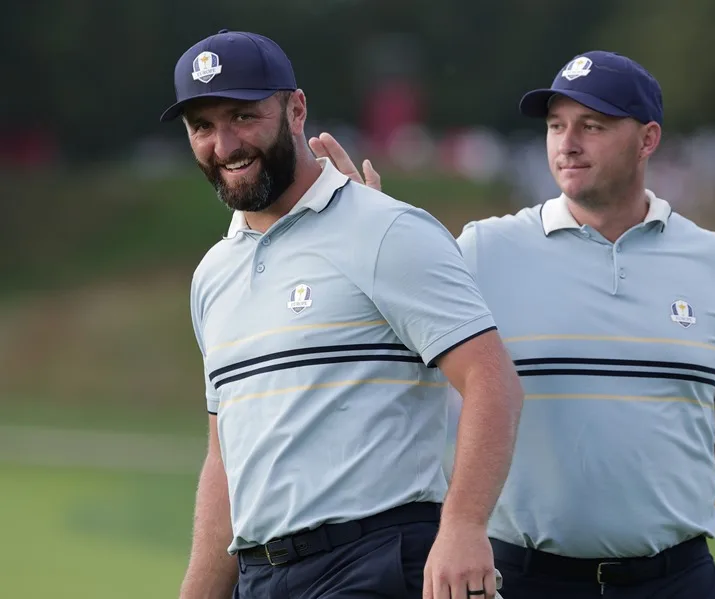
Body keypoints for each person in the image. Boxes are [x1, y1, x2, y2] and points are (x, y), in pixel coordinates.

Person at [311, 50, 715, 599]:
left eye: (592, 126)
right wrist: (374, 234)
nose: (567, 143)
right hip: (526, 578)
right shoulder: (485, 249)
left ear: (648, 139)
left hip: (678, 579)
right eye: (556, 126)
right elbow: (387, 325)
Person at [159, 29, 523, 599]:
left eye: (243, 117)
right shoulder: (212, 275)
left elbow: (491, 379)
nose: (224, 144)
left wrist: (464, 527)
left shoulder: (385, 229)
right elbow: (225, 458)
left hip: (371, 563)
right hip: (259, 577)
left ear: (296, 109)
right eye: (202, 127)